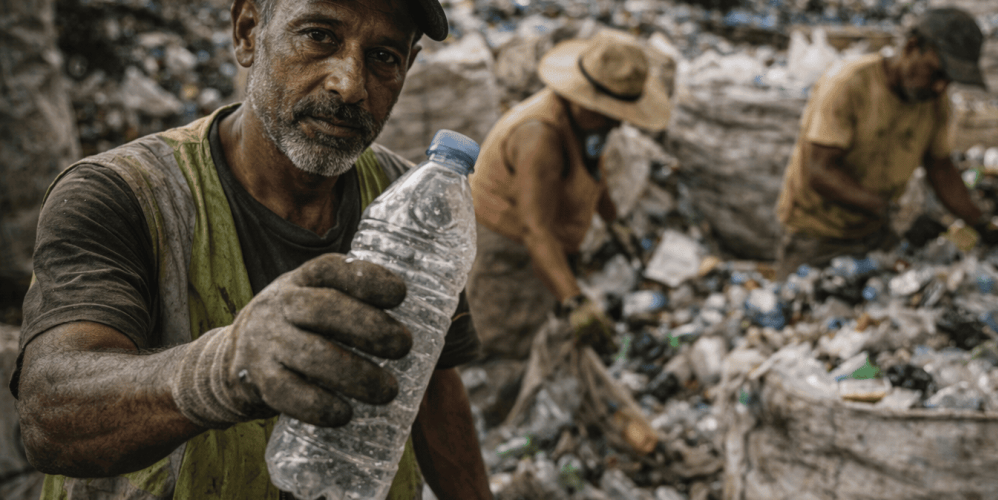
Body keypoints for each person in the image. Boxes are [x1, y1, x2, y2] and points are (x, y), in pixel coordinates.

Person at [10, 0, 492, 499]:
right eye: (319, 36)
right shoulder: (120, 194)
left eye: (383, 57)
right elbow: (50, 415)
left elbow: (431, 387)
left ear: (408, 67)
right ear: (247, 32)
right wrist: (220, 368)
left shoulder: (410, 201)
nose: (349, 84)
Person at [466, 32, 672, 361]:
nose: (616, 123)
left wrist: (613, 220)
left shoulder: (589, 127)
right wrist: (575, 301)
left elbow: (593, 170)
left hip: (546, 247)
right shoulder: (539, 137)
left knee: (539, 331)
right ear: (583, 100)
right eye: (609, 113)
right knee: (500, 343)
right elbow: (537, 230)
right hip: (510, 250)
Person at [775, 8, 994, 279]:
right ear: (912, 47)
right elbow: (820, 170)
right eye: (936, 73)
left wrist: (981, 222)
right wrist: (894, 212)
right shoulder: (849, 83)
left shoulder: (935, 104)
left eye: (948, 81)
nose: (940, 87)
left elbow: (940, 168)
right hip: (818, 236)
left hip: (875, 232)